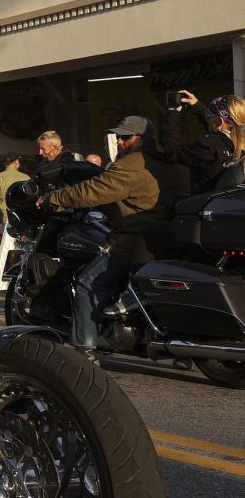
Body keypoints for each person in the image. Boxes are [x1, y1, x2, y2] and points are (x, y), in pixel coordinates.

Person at [42, 116, 159, 359]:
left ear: (142, 139)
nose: (120, 141)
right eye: (119, 137)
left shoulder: (131, 165)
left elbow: (95, 190)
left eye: (126, 137)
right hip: (161, 233)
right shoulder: (164, 159)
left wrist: (54, 198)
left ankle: (83, 351)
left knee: (87, 282)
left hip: (135, 235)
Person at [160, 91, 245, 194]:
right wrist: (197, 106)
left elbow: (171, 151)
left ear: (219, 122)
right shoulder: (238, 144)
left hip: (203, 204)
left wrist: (172, 113)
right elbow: (219, 133)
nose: (207, 115)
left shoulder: (208, 147)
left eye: (209, 113)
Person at [0, 153, 29, 225]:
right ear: (16, 162)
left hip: (2, 216)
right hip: (21, 216)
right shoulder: (26, 177)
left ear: (5, 164)